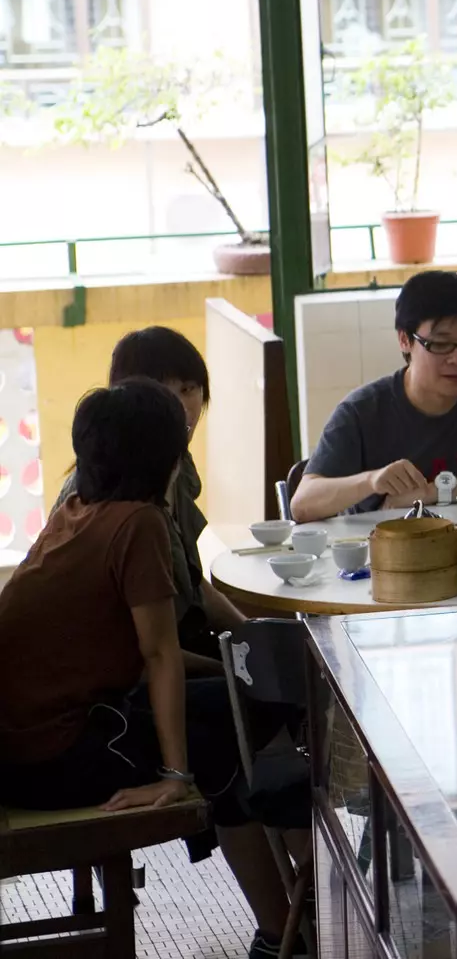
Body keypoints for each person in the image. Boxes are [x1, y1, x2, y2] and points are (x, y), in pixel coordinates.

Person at [0, 381, 301, 959]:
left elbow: (138, 655)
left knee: (241, 705)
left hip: (28, 745)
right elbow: (158, 657)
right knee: (231, 736)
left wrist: (226, 671)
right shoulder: (139, 524)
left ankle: (288, 913)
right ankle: (289, 914)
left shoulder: (75, 511)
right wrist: (173, 776)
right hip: (52, 757)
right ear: (164, 456)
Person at [51, 327, 246, 666]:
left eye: (189, 389)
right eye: (161, 392)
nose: (182, 408)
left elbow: (188, 581)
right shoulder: (105, 492)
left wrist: (252, 631)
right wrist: (232, 673)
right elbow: (144, 652)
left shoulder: (176, 465)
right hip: (116, 678)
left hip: (173, 647)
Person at [292, 271, 457, 521]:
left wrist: (434, 491)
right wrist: (372, 480)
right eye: (441, 344)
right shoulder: (362, 411)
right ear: (405, 340)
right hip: (379, 558)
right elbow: (302, 505)